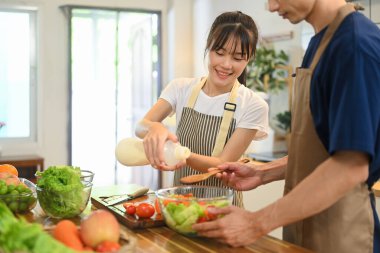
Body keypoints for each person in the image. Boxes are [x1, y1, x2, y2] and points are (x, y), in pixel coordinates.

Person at [192, 1, 380, 252]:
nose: (271, 6)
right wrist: (264, 173)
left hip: (342, 231)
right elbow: (322, 152)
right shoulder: (320, 42)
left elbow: (349, 167)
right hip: (304, 222)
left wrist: (256, 222)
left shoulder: (353, 45)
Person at [135, 11, 269, 207]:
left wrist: (179, 154)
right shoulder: (181, 88)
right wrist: (155, 128)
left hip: (223, 211)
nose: (226, 64)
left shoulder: (253, 105)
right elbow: (140, 127)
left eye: (238, 58)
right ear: (208, 47)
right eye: (220, 53)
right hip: (180, 207)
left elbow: (222, 163)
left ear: (249, 59)